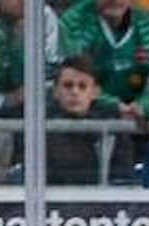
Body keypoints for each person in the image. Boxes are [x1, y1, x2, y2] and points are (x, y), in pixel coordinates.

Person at [56, 0, 149, 122]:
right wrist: (113, 106)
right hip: (88, 117)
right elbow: (72, 77)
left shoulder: (148, 25)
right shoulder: (73, 23)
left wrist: (142, 107)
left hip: (141, 120)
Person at [38, 53, 133, 186]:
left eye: (82, 86)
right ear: (55, 91)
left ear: (95, 92)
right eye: (68, 85)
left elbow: (123, 176)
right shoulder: (40, 127)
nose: (75, 92)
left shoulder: (113, 128)